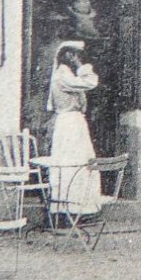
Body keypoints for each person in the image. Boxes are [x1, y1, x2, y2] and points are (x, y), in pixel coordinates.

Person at [47, 41, 101, 216]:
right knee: (71, 163)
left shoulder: (66, 75)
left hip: (74, 124)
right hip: (70, 124)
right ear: (69, 56)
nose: (79, 59)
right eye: (76, 55)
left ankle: (80, 207)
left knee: (80, 162)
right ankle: (68, 208)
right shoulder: (63, 76)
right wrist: (81, 66)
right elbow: (91, 82)